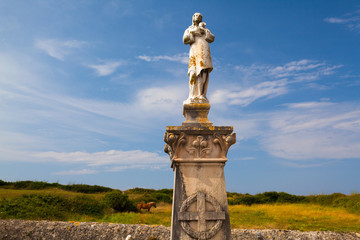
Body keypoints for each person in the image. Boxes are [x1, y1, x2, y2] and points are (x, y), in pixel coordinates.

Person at [183, 13, 215, 104]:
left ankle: (201, 95)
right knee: (193, 73)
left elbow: (212, 38)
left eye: (199, 16)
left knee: (203, 71)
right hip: (194, 52)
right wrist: (193, 32)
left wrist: (203, 31)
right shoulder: (189, 29)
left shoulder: (205, 29)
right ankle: (192, 95)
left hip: (204, 52)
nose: (197, 17)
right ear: (193, 18)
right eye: (195, 16)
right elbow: (185, 40)